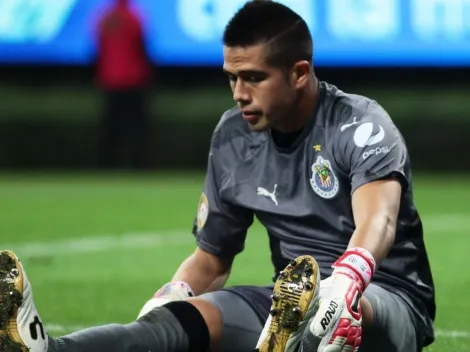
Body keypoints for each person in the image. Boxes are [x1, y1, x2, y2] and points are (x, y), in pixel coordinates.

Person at [0, 1, 435, 352]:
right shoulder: (232, 137)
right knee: (178, 323)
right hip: (290, 303)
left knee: (335, 309)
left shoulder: (359, 123)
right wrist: (175, 293)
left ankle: (319, 318)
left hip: (385, 296)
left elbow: (377, 221)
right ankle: (47, 349)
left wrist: (344, 284)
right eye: (231, 78)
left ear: (300, 73)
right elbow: (212, 258)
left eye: (253, 78)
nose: (239, 93)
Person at [95, 0, 151, 170]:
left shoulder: (104, 18)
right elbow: (142, 48)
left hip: (110, 80)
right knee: (137, 128)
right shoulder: (134, 17)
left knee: (111, 128)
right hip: (133, 80)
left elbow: (97, 50)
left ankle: (106, 166)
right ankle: (139, 166)